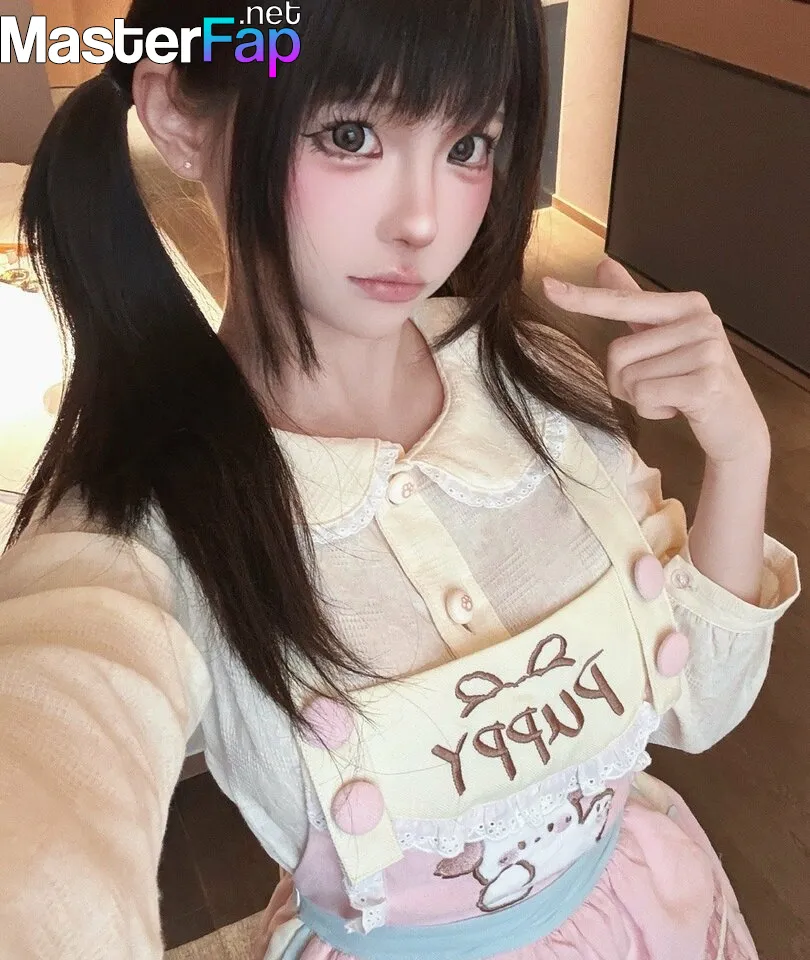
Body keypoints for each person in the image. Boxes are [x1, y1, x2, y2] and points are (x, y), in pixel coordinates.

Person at [0, 0, 801, 958]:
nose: (422, 221)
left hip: (649, 909)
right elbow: (51, 765)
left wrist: (741, 454)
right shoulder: (139, 526)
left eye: (468, 146)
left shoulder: (538, 386)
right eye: (350, 134)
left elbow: (696, 704)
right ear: (180, 118)